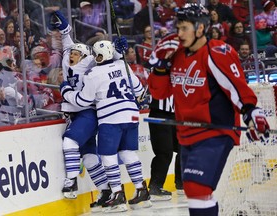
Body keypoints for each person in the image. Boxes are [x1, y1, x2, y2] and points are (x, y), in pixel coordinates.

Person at [147, 3, 270, 216]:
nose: (180, 33)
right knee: (197, 193)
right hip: (187, 135)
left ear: (201, 28)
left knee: (197, 187)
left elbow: (236, 86)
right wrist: (160, 66)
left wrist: (251, 112)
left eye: (185, 28)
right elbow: (159, 93)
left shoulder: (216, 52)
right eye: (178, 27)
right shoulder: (176, 55)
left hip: (215, 131)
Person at [60, 40, 152, 213]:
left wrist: (66, 91)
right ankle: (141, 190)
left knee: (108, 156)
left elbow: (82, 101)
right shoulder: (123, 65)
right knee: (127, 153)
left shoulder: (93, 73)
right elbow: (139, 91)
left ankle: (117, 194)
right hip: (131, 114)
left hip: (111, 117)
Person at [49, 10, 112, 211]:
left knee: (69, 141)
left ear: (84, 57)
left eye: (76, 54)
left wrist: (113, 51)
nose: (72, 55)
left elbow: (103, 58)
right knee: (89, 157)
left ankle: (71, 181)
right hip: (75, 113)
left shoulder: (89, 64)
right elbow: (68, 44)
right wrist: (64, 29)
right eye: (72, 53)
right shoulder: (69, 59)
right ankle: (106, 191)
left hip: (87, 112)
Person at [148, 95, 183, 201]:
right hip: (159, 114)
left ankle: (182, 183)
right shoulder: (159, 77)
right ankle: (155, 187)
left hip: (178, 114)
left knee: (185, 147)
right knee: (164, 152)